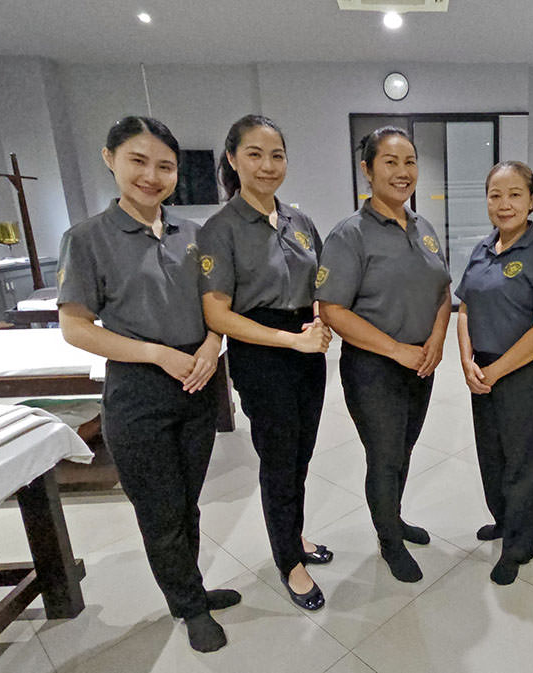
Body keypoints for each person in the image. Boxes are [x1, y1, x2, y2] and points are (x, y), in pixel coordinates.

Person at [57, 116, 239, 652]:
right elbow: (75, 327)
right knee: (159, 508)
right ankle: (189, 607)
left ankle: (193, 588)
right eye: (138, 161)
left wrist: (210, 347)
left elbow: (216, 308)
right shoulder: (87, 238)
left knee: (188, 500)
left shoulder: (194, 234)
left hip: (198, 380)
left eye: (165, 166)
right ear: (110, 159)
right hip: (138, 388)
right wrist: (157, 354)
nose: (152, 176)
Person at [198, 115, 332, 611]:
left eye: (276, 155)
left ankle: (293, 536)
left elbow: (317, 285)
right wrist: (289, 341)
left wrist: (318, 322)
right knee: (278, 460)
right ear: (232, 160)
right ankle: (287, 560)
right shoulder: (220, 229)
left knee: (301, 455)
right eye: (254, 154)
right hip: (262, 355)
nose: (267, 165)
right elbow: (218, 312)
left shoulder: (299, 221)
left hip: (305, 352)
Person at [316, 127, 450, 583]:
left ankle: (394, 518)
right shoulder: (349, 235)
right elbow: (332, 308)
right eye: (390, 162)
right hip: (375, 368)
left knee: (405, 450)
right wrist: (397, 350)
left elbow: (443, 290)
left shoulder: (425, 227)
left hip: (421, 365)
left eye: (410, 161)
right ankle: (389, 541)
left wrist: (436, 340)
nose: (402, 171)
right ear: (367, 170)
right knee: (385, 456)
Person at [456, 161, 533, 585]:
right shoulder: (482, 248)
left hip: (522, 372)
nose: (504, 204)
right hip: (482, 369)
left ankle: (518, 545)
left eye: (515, 194)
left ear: (532, 200)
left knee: (522, 460)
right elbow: (464, 308)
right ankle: (504, 519)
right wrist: (468, 361)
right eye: (495, 195)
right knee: (492, 455)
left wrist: (495, 372)